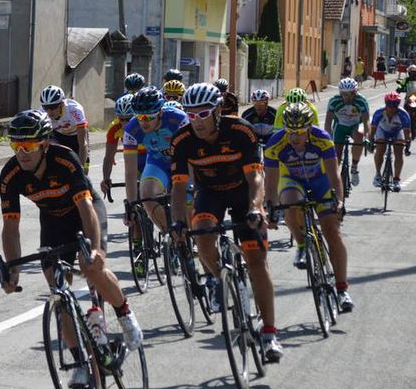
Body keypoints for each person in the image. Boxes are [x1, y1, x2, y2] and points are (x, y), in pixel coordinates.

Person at [0, 109, 143, 389]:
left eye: (27, 146)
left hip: (84, 212)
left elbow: (86, 208)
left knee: (91, 266)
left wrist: (97, 250)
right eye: (16, 146)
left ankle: (125, 315)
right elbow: (10, 227)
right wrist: (13, 268)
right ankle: (79, 361)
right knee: (58, 291)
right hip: (53, 221)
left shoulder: (64, 158)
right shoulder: (11, 174)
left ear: (44, 144)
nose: (21, 153)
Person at [169, 83, 283, 362]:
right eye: (191, 115)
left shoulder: (241, 131)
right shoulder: (182, 141)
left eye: (203, 113)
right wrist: (178, 223)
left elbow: (256, 177)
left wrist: (257, 207)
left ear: (218, 110)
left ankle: (269, 333)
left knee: (256, 260)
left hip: (243, 192)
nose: (197, 122)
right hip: (211, 194)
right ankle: (222, 279)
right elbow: (179, 188)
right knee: (202, 236)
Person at [263, 103, 354, 312]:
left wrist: (339, 201)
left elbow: (334, 174)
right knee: (289, 201)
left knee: (332, 231)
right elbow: (270, 182)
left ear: (309, 129)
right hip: (292, 180)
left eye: (300, 132)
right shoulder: (275, 144)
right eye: (290, 132)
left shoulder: (322, 138)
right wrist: (271, 209)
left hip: (320, 181)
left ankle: (342, 289)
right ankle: (302, 244)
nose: (295, 137)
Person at [121, 86, 188, 273]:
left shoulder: (178, 119)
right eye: (139, 116)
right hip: (157, 163)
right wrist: (132, 203)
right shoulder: (132, 128)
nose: (143, 122)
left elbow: (192, 154)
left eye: (148, 117)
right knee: (146, 195)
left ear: (160, 112)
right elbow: (130, 172)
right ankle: (171, 235)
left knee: (185, 200)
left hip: (183, 163)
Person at [324, 77, 371, 186]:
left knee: (359, 136)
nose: (347, 97)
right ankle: (334, 181)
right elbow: (327, 123)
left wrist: (367, 137)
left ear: (355, 92)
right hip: (340, 126)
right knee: (337, 156)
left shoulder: (361, 101)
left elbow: (366, 122)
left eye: (350, 94)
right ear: (340, 93)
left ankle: (354, 167)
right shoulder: (334, 101)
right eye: (344, 94)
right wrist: (328, 139)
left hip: (355, 126)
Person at [100, 93, 145, 201]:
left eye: (128, 119)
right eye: (121, 119)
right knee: (133, 197)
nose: (125, 124)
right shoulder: (114, 128)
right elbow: (109, 156)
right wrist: (106, 178)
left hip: (152, 157)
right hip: (135, 159)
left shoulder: (145, 123)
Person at [39, 85, 89, 170]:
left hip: (76, 136)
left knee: (84, 170)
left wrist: (81, 169)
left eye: (53, 107)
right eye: (46, 107)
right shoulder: (42, 113)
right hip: (58, 135)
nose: (49, 111)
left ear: (62, 104)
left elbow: (82, 144)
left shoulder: (75, 110)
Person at [370, 91, 411, 192]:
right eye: (389, 105)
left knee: (399, 152)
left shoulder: (404, 114)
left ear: (398, 105)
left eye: (395, 106)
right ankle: (378, 174)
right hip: (382, 130)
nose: (392, 108)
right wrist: (370, 142)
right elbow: (372, 131)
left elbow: (407, 134)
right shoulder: (379, 113)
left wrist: (407, 145)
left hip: (397, 131)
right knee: (380, 148)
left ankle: (396, 180)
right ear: (386, 104)